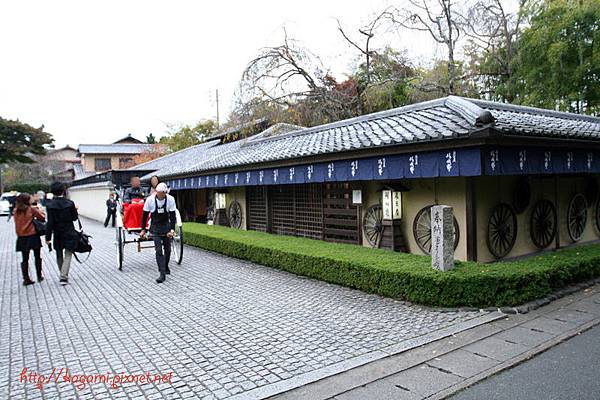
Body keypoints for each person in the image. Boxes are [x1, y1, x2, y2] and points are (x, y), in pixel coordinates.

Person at [140, 183, 177, 284]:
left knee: (168, 249)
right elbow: (144, 215)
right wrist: (143, 229)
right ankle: (162, 273)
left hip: (166, 226)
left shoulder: (170, 199)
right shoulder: (150, 200)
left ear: (165, 193)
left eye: (163, 193)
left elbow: (173, 216)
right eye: (159, 193)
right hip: (155, 226)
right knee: (159, 250)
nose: (161, 195)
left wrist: (172, 230)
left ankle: (165, 266)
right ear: (156, 192)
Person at [45, 182, 79, 286]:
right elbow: (74, 218)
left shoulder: (50, 205)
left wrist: (48, 237)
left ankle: (62, 274)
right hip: (69, 231)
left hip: (57, 232)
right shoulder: (70, 203)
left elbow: (49, 223)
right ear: (63, 191)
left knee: (59, 253)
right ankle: (64, 276)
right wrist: (75, 210)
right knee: (68, 253)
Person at [14, 193, 46, 286]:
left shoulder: (16, 211)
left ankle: (26, 278)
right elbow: (42, 218)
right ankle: (39, 275)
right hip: (32, 235)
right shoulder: (31, 209)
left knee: (25, 258)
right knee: (37, 256)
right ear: (26, 201)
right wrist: (40, 211)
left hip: (21, 237)